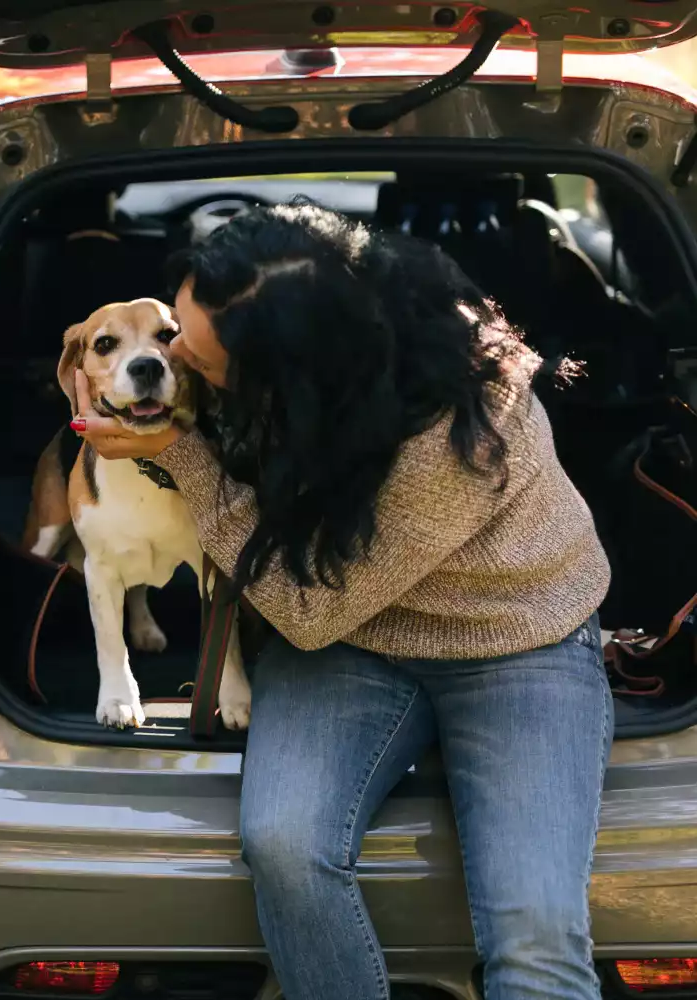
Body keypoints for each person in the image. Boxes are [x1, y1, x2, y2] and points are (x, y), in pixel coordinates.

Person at [70, 201, 613, 1000]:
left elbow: (306, 612)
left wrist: (182, 453)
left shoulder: (463, 422)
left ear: (286, 372)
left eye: (199, 353)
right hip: (354, 647)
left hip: (516, 640)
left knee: (535, 928)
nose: (175, 354)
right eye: (178, 326)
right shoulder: (267, 361)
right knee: (285, 844)